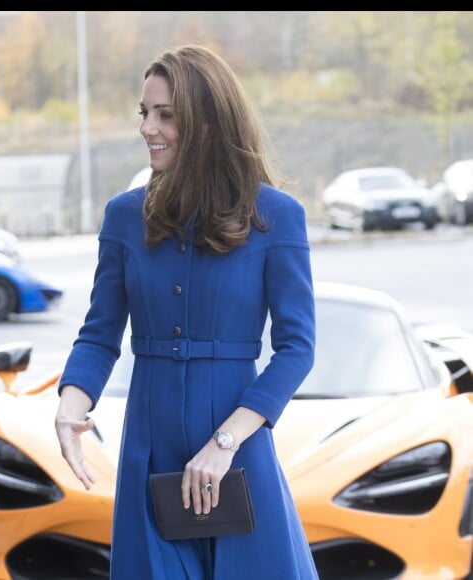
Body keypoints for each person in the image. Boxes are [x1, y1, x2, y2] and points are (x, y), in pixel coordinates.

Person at [55, 44, 318, 579]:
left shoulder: (278, 217)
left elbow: (297, 349)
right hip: (149, 452)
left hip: (238, 449)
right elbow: (100, 334)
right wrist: (70, 404)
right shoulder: (123, 217)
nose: (148, 127)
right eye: (144, 112)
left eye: (165, 115)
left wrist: (225, 443)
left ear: (205, 122)